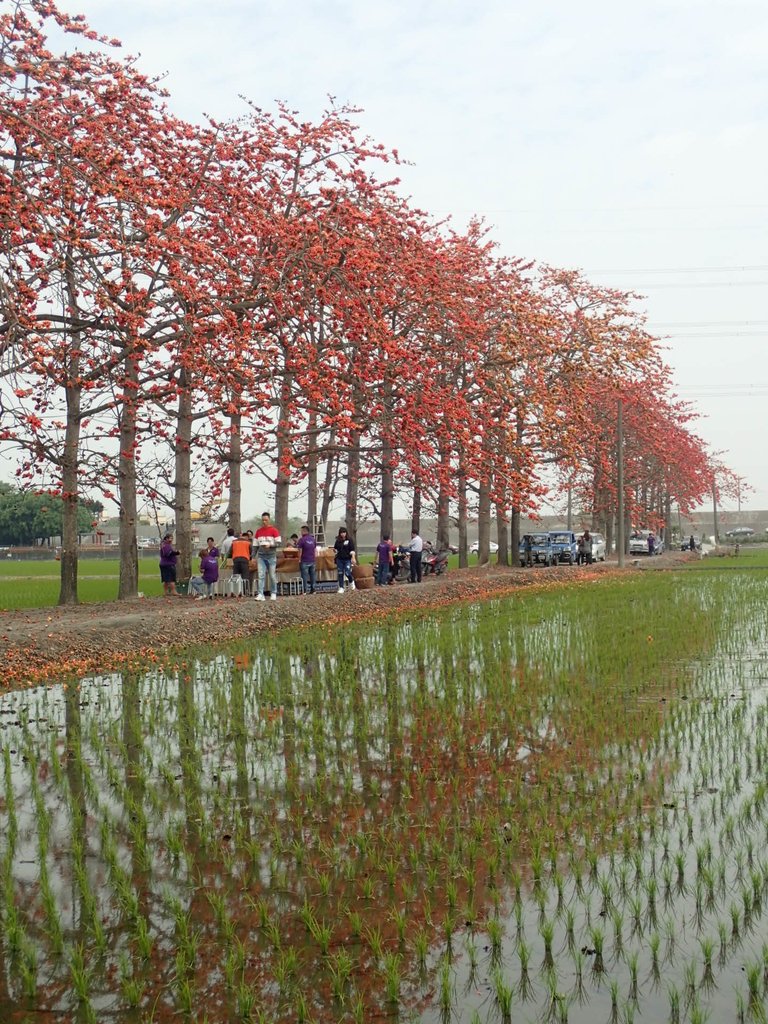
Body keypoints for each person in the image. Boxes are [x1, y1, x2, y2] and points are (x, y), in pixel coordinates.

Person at [254, 511, 281, 601]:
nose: (264, 522)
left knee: (272, 575)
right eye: (263, 520)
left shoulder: (274, 530)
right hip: (261, 556)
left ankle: (273, 592)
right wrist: (253, 557)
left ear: (269, 520)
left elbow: (279, 543)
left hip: (271, 556)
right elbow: (255, 545)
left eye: (266, 520)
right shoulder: (258, 531)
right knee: (261, 575)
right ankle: (260, 594)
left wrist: (271, 545)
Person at [334, 527, 356, 593]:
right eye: (341, 533)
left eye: (344, 532)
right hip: (339, 559)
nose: (343, 534)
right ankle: (341, 587)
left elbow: (352, 550)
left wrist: (353, 557)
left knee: (347, 572)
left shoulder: (349, 540)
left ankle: (351, 581)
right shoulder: (338, 541)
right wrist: (335, 550)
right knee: (340, 573)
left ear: (346, 533)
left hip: (347, 559)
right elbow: (336, 548)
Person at [296, 524, 317, 594]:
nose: (301, 532)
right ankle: (313, 589)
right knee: (312, 576)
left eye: (301, 531)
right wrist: (314, 558)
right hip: (312, 560)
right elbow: (315, 550)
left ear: (304, 531)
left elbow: (300, 551)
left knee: (304, 576)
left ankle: (304, 590)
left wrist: (299, 559)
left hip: (304, 560)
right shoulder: (313, 539)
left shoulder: (301, 540)